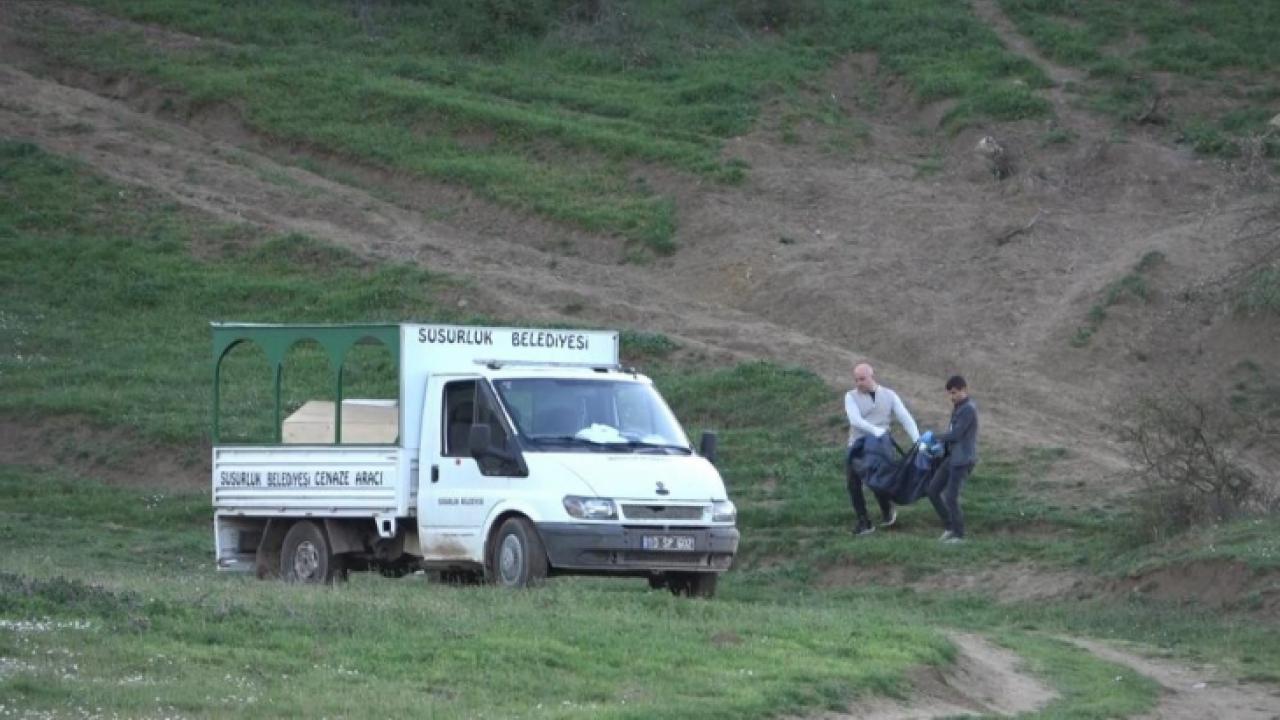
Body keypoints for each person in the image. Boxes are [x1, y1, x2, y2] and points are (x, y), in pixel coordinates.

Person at [844, 362, 920, 535]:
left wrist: (918, 440)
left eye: (862, 379)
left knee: (879, 480)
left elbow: (905, 417)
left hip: (880, 445)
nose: (858, 383)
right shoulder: (850, 396)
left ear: (872, 376)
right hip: (857, 445)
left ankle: (887, 510)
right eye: (856, 380)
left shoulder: (889, 395)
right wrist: (875, 430)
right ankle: (864, 521)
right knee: (853, 483)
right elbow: (855, 420)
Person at [921, 375, 980, 544]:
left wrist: (935, 438)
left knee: (951, 497)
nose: (951, 397)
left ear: (964, 390)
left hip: (963, 460)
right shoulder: (959, 407)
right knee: (932, 491)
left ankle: (959, 535)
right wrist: (940, 448)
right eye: (949, 393)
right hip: (952, 458)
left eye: (954, 393)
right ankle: (950, 527)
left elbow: (956, 434)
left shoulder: (968, 409)